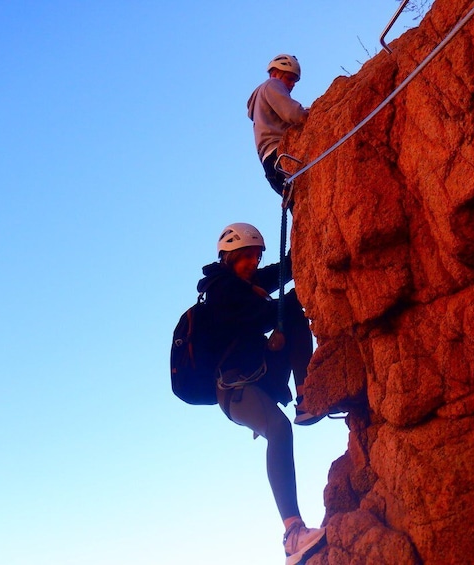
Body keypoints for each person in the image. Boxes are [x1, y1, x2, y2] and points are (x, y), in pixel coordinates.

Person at [197, 222, 326, 565]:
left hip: (259, 373)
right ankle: (293, 534)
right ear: (229, 258)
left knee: (293, 313)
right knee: (279, 430)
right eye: (245, 257)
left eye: (256, 256)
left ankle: (306, 397)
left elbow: (283, 270)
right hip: (235, 387)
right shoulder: (222, 290)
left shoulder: (246, 282)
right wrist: (287, 302)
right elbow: (259, 315)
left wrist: (304, 224)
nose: (253, 262)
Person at [247, 55, 309, 199]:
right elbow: (294, 114)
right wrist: (316, 113)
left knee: (300, 204)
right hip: (281, 156)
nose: (292, 84)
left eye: (294, 80)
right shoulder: (272, 84)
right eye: (289, 78)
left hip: (270, 166)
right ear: (275, 74)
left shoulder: (259, 104)